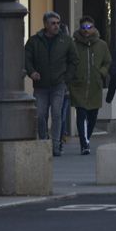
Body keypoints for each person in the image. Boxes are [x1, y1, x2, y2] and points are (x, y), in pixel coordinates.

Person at [24, 11, 78, 156]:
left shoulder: (66, 41)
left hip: (58, 84)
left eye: (58, 23)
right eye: (53, 23)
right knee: (41, 114)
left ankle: (55, 144)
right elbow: (26, 59)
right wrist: (32, 72)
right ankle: (43, 141)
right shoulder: (34, 41)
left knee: (56, 113)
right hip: (40, 85)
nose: (56, 26)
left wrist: (67, 78)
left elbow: (74, 60)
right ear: (45, 25)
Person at [69, 16, 110, 155]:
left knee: (92, 116)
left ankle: (87, 138)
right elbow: (68, 62)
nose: (86, 30)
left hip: (94, 85)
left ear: (93, 28)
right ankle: (84, 144)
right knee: (81, 114)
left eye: (89, 27)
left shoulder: (102, 45)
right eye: (83, 27)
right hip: (78, 85)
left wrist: (101, 72)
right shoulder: (74, 45)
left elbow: (107, 62)